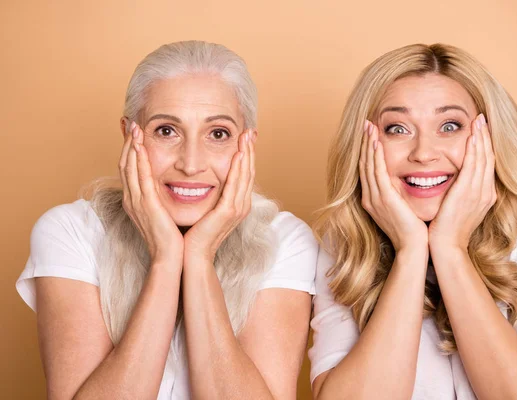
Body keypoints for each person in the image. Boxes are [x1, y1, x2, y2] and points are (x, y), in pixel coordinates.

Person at [16, 40, 317, 399]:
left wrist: (200, 256)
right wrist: (165, 258)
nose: (190, 164)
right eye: (166, 131)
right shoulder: (71, 231)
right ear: (130, 134)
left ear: (247, 144)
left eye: (218, 134)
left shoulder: (285, 241)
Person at [309, 43, 517, 399]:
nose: (424, 153)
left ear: (489, 137)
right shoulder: (344, 239)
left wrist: (450, 249)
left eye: (449, 125)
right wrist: (411, 252)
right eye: (397, 128)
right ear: (365, 142)